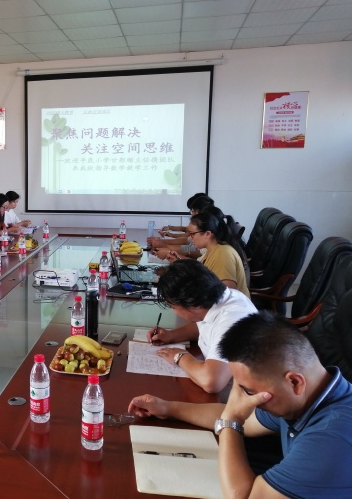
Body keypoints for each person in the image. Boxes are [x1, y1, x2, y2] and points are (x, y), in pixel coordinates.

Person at [129, 312, 352, 499]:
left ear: (295, 382)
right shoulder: (305, 397)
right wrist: (167, 408)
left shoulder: (332, 439)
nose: (244, 398)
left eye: (249, 391)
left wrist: (230, 422)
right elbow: (246, 418)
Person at [148, 259, 256, 393]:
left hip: (245, 393)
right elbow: (203, 326)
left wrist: (180, 357)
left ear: (193, 304)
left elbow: (212, 382)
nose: (173, 311)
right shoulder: (217, 300)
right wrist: (171, 335)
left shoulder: (233, 319)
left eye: (173, 306)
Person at [154, 211, 250, 298]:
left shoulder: (223, 254)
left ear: (207, 234)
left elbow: (226, 295)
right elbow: (201, 273)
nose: (190, 237)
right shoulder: (211, 250)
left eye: (192, 234)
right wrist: (178, 261)